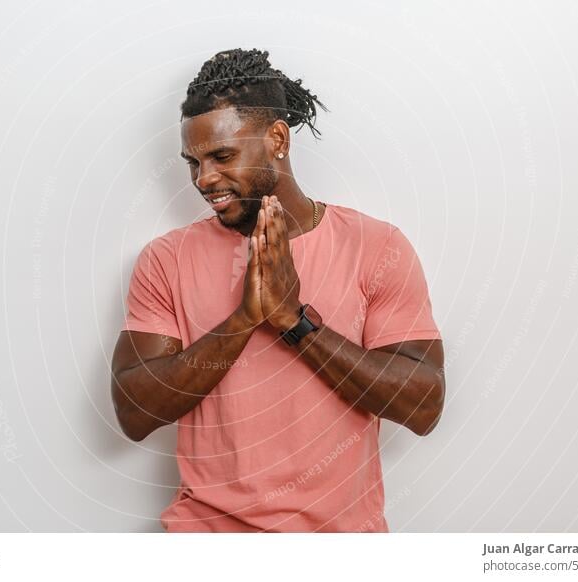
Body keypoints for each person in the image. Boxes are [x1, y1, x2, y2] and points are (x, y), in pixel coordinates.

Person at [111, 48, 445, 532]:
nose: (204, 179)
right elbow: (133, 413)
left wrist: (293, 320)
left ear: (276, 139)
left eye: (222, 156)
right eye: (193, 162)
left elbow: (424, 405)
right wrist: (245, 319)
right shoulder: (166, 259)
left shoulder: (376, 247)